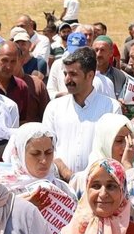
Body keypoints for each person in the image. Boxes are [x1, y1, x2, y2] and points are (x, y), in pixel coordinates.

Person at [43, 46, 121, 175]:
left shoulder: (111, 107)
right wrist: (65, 173)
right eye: (65, 74)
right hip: (60, 183)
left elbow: (115, 150)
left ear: (90, 75)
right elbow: (47, 146)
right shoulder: (54, 107)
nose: (67, 79)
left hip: (98, 184)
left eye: (73, 74)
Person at [2, 122, 79, 231]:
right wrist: (21, 209)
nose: (43, 160)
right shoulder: (4, 191)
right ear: (19, 153)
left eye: (48, 152)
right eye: (35, 154)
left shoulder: (65, 190)